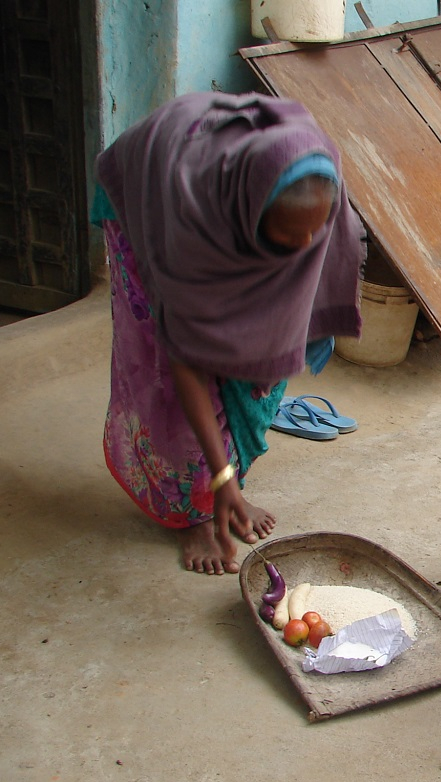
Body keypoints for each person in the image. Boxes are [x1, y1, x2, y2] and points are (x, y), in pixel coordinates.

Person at [92, 93, 365, 575]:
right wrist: (221, 478)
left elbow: (290, 296)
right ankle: (192, 513)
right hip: (144, 197)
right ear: (252, 218)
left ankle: (225, 484)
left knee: (269, 333)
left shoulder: (317, 178)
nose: (301, 253)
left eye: (312, 237)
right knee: (166, 363)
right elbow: (186, 360)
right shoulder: (189, 229)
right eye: (285, 240)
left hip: (235, 190)